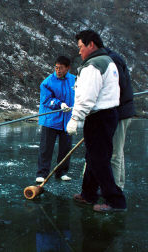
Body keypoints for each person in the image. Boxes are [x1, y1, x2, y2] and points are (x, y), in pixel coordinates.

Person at [67, 29, 126, 212]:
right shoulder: (107, 60)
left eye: (81, 47)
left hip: (99, 117)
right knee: (93, 157)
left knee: (99, 159)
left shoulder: (94, 65)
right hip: (107, 115)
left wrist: (75, 117)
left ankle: (115, 200)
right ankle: (88, 194)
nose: (79, 51)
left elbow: (87, 96)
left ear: (91, 44)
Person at [35, 56, 75, 183]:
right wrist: (60, 104)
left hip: (67, 119)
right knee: (46, 148)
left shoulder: (74, 80)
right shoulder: (47, 82)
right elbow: (46, 100)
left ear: (68, 68)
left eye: (61, 68)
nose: (58, 70)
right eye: (56, 68)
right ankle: (42, 173)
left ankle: (62, 172)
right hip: (50, 119)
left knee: (65, 148)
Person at [105, 48, 135, 190]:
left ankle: (114, 191)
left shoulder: (112, 60)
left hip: (119, 112)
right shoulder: (112, 58)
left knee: (115, 152)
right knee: (119, 150)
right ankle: (119, 184)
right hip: (122, 111)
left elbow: (118, 87)